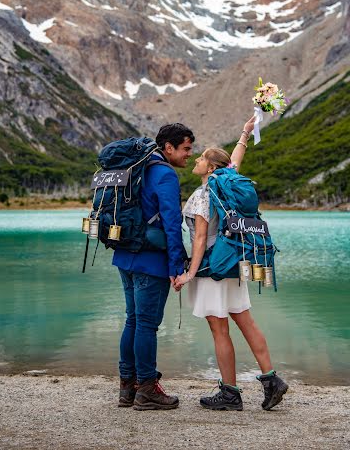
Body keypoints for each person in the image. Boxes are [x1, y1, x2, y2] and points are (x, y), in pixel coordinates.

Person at [174, 118, 289, 411]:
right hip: (235, 264)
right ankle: (272, 380)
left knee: (219, 330)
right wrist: (244, 133)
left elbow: (200, 239)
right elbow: (234, 161)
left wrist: (189, 273)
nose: (197, 160)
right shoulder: (228, 185)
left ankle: (230, 393)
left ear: (211, 168)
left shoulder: (203, 195)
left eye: (201, 158)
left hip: (213, 269)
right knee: (247, 322)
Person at [112, 123, 194, 410]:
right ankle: (146, 388)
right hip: (151, 261)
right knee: (146, 324)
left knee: (133, 320)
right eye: (185, 148)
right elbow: (172, 223)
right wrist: (176, 266)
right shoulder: (165, 175)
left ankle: (127, 387)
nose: (189, 155)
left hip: (125, 255)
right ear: (168, 148)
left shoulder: (136, 169)